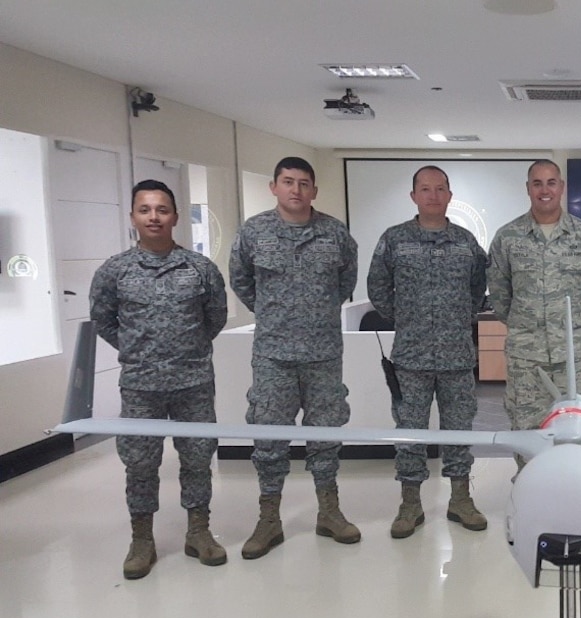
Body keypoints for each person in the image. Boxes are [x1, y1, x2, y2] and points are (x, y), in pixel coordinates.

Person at [90, 179, 228, 579]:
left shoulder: (200, 268)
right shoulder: (114, 271)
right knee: (139, 463)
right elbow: (104, 321)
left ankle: (199, 531)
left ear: (175, 217)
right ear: (133, 216)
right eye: (145, 210)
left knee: (198, 459)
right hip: (140, 385)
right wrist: (139, 349)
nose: (154, 217)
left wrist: (185, 349)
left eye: (162, 210)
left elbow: (214, 317)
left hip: (193, 381)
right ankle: (142, 540)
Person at [228, 156, 360, 559]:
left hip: (322, 354)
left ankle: (329, 511)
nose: (296, 190)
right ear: (274, 187)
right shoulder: (254, 233)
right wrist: (277, 315)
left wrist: (312, 315)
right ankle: (269, 519)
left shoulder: (335, 234)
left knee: (326, 434)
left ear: (314, 191)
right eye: (288, 182)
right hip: (273, 355)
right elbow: (241, 282)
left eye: (304, 183)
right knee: (269, 437)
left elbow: (345, 283)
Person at [367, 166, 489, 539]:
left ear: (449, 195)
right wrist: (408, 319)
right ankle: (410, 503)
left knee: (458, 430)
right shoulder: (394, 240)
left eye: (440, 189)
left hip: (456, 356)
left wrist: (455, 320)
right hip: (410, 358)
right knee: (409, 432)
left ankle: (461, 499)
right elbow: (378, 290)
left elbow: (477, 291)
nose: (433, 195)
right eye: (425, 189)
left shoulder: (466, 242)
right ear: (414, 196)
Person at [486, 160, 581, 467]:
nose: (545, 190)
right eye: (537, 183)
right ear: (528, 188)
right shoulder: (508, 237)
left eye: (551, 182)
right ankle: (529, 491)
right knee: (527, 431)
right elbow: (500, 296)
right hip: (528, 359)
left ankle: (577, 493)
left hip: (574, 357)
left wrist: (575, 324)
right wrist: (525, 325)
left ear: (561, 187)